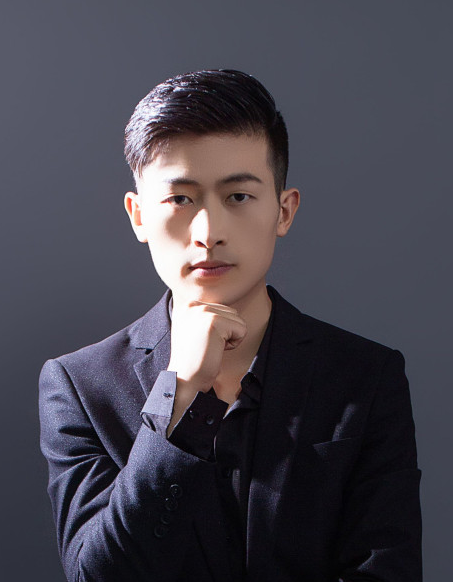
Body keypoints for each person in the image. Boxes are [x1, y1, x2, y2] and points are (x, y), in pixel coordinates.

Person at [39, 69, 422, 582]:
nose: (209, 232)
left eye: (238, 196)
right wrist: (179, 393)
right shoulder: (80, 386)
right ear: (138, 216)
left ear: (283, 211)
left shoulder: (366, 377)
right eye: (180, 199)